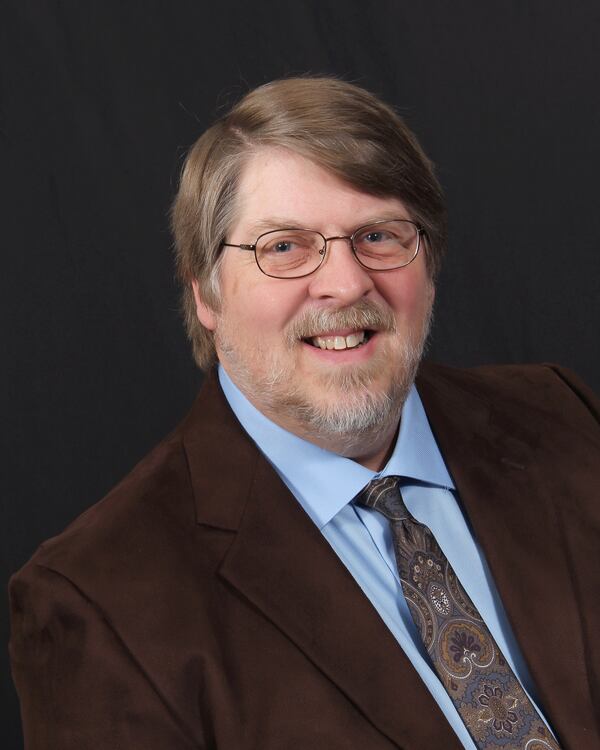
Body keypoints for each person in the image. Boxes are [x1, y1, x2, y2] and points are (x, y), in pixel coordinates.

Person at [9, 77, 600, 750]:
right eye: (285, 247)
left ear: (428, 265)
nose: (346, 283)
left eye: (378, 235)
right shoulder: (96, 604)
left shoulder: (560, 414)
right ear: (205, 292)